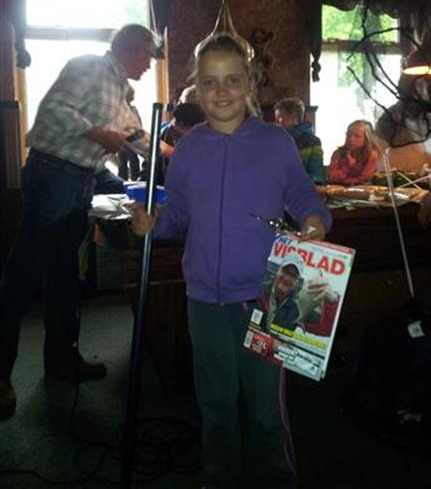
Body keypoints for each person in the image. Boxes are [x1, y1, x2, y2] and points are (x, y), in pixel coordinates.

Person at [132, 32, 332, 489]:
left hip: (266, 297)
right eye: (209, 82)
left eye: (232, 80)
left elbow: (303, 194)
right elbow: (177, 213)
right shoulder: (188, 148)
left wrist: (315, 220)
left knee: (265, 406)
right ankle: (220, 477)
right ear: (196, 88)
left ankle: (275, 479)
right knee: (215, 402)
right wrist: (153, 222)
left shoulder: (276, 142)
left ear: (250, 83)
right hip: (204, 298)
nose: (221, 91)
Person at [0, 24, 159, 420]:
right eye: (148, 56)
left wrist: (182, 151)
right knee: (23, 273)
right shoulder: (89, 66)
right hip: (54, 171)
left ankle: (62, 359)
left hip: (80, 178)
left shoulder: (119, 91)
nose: (150, 65)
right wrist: (98, 134)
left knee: (65, 274)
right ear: (131, 48)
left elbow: (137, 137)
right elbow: (54, 110)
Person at [274, 97, 325, 184]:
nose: (277, 123)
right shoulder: (275, 140)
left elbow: (317, 174)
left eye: (280, 118)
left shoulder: (312, 142)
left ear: (293, 116)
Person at [328, 120, 379, 185]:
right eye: (348, 135)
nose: (351, 139)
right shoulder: (338, 154)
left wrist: (352, 168)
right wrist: (347, 168)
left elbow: (364, 179)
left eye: (357, 136)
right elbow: (331, 177)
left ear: (366, 139)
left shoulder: (371, 155)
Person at [118, 86, 143, 181]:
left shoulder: (133, 109)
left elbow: (139, 124)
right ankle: (122, 182)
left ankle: (136, 180)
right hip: (121, 139)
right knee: (122, 163)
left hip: (133, 139)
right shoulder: (119, 109)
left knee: (134, 162)